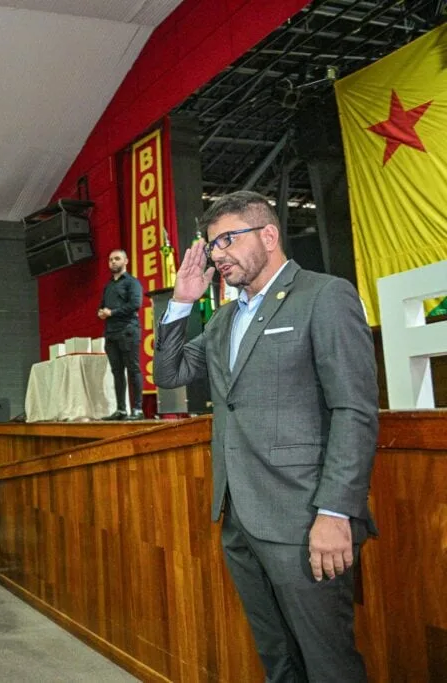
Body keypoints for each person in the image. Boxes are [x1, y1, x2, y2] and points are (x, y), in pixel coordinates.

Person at [154, 190, 378, 682]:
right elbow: (168, 373)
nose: (217, 255)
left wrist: (336, 512)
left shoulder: (324, 295)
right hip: (240, 517)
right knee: (278, 660)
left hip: (304, 519)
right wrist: (182, 302)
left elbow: (354, 410)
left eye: (228, 240)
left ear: (270, 235)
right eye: (213, 245)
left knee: (328, 664)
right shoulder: (225, 319)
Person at [97, 249, 144, 419]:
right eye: (110, 260)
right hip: (111, 333)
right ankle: (122, 410)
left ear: (126, 261)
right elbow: (102, 306)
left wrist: (112, 313)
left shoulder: (132, 283)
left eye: (117, 259)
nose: (113, 262)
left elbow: (135, 304)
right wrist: (101, 312)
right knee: (117, 372)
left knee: (133, 370)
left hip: (128, 331)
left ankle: (138, 409)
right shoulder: (108, 286)